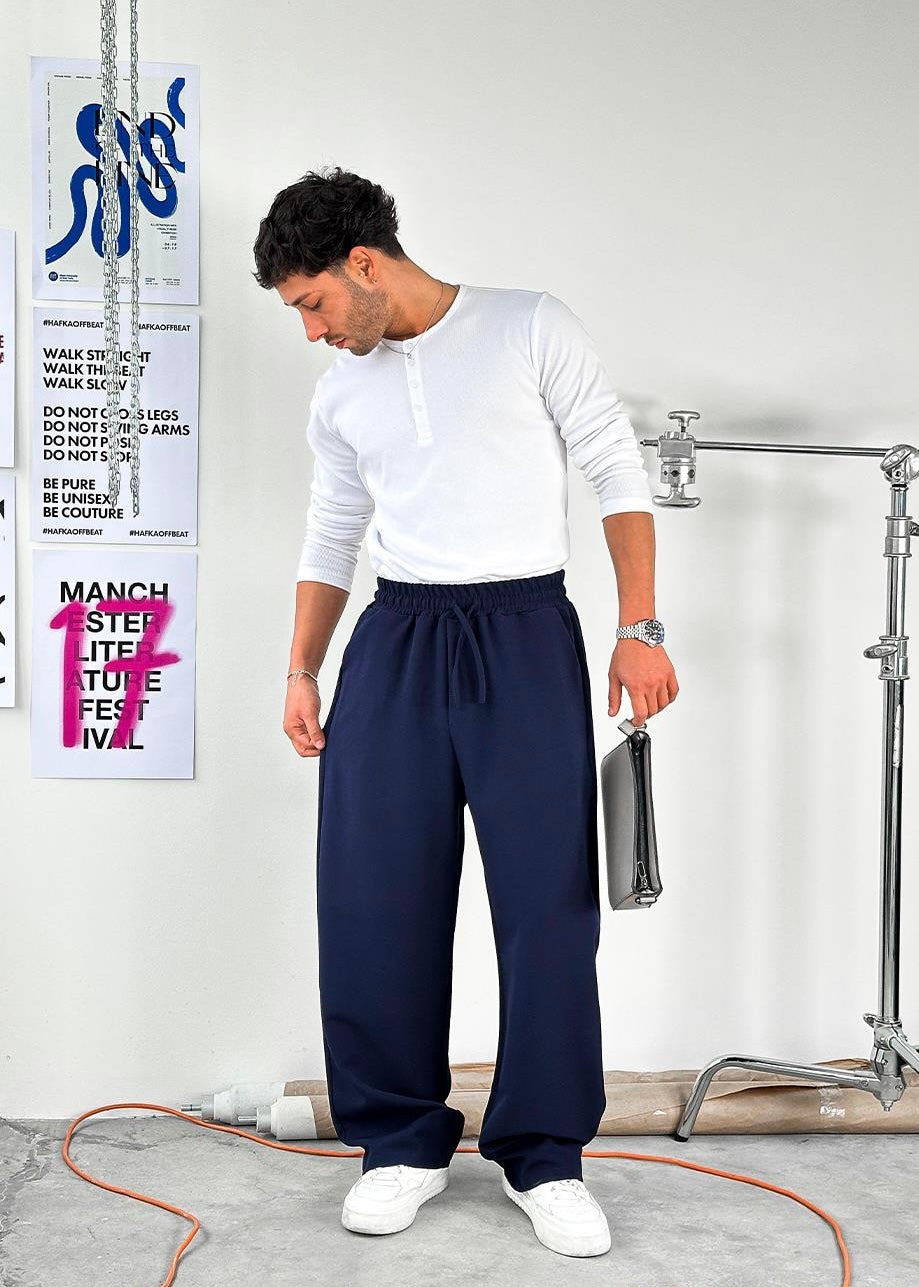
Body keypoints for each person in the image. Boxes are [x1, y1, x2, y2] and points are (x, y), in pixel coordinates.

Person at [252, 166, 679, 1258]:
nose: (311, 330)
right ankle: (399, 1142)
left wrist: (638, 626)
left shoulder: (529, 326)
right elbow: (331, 529)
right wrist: (301, 667)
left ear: (364, 264)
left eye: (311, 302)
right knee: (373, 898)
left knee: (546, 906)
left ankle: (545, 1155)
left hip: (524, 632)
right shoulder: (341, 392)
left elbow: (615, 467)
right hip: (395, 639)